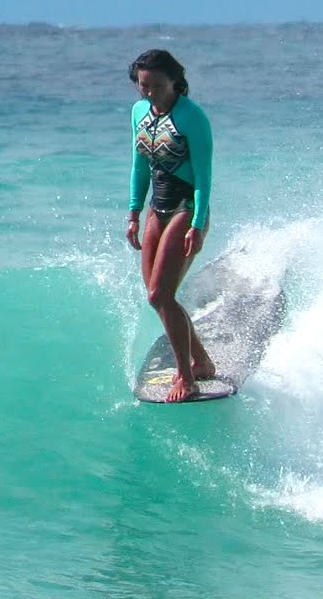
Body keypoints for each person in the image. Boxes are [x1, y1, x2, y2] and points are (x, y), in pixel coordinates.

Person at [124, 49, 214, 402]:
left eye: (157, 86)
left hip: (185, 209)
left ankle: (187, 377)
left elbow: (205, 176)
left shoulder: (192, 117)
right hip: (155, 211)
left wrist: (198, 223)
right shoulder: (139, 113)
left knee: (160, 294)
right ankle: (202, 360)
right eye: (143, 86)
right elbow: (139, 165)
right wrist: (133, 213)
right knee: (158, 298)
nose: (149, 93)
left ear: (175, 82)